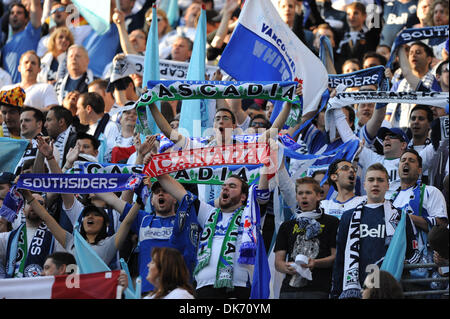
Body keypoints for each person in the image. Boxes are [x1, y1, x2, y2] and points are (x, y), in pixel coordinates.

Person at [330, 163, 418, 299]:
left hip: (389, 290)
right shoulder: (348, 216)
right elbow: (340, 258)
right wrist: (336, 292)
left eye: (380, 180)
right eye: (371, 180)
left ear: (388, 185)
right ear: (364, 185)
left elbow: (414, 254)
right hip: (355, 290)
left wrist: (400, 263)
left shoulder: (401, 217)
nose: (375, 184)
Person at [274, 177, 339, 299]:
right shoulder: (287, 226)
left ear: (319, 196)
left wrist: (315, 262)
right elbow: (278, 262)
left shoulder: (332, 222)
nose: (304, 196)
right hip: (289, 291)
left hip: (318, 289)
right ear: (296, 197)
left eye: (308, 193)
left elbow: (335, 257)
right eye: (300, 193)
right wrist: (287, 267)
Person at [1, 0, 42, 84]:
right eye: (12, 13)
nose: (15, 15)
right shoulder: (5, 44)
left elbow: (36, 5)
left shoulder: (31, 32)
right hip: (11, 92)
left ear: (26, 19)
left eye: (19, 13)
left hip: (28, 89)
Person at [335, 2, 379, 73]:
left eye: (355, 13)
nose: (351, 17)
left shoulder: (371, 36)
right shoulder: (339, 36)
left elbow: (377, 16)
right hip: (342, 75)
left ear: (364, 16)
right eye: (348, 14)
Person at [76, 92, 120, 162]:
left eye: (78, 108)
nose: (77, 113)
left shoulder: (111, 127)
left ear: (88, 108)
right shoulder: (87, 130)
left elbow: (111, 158)